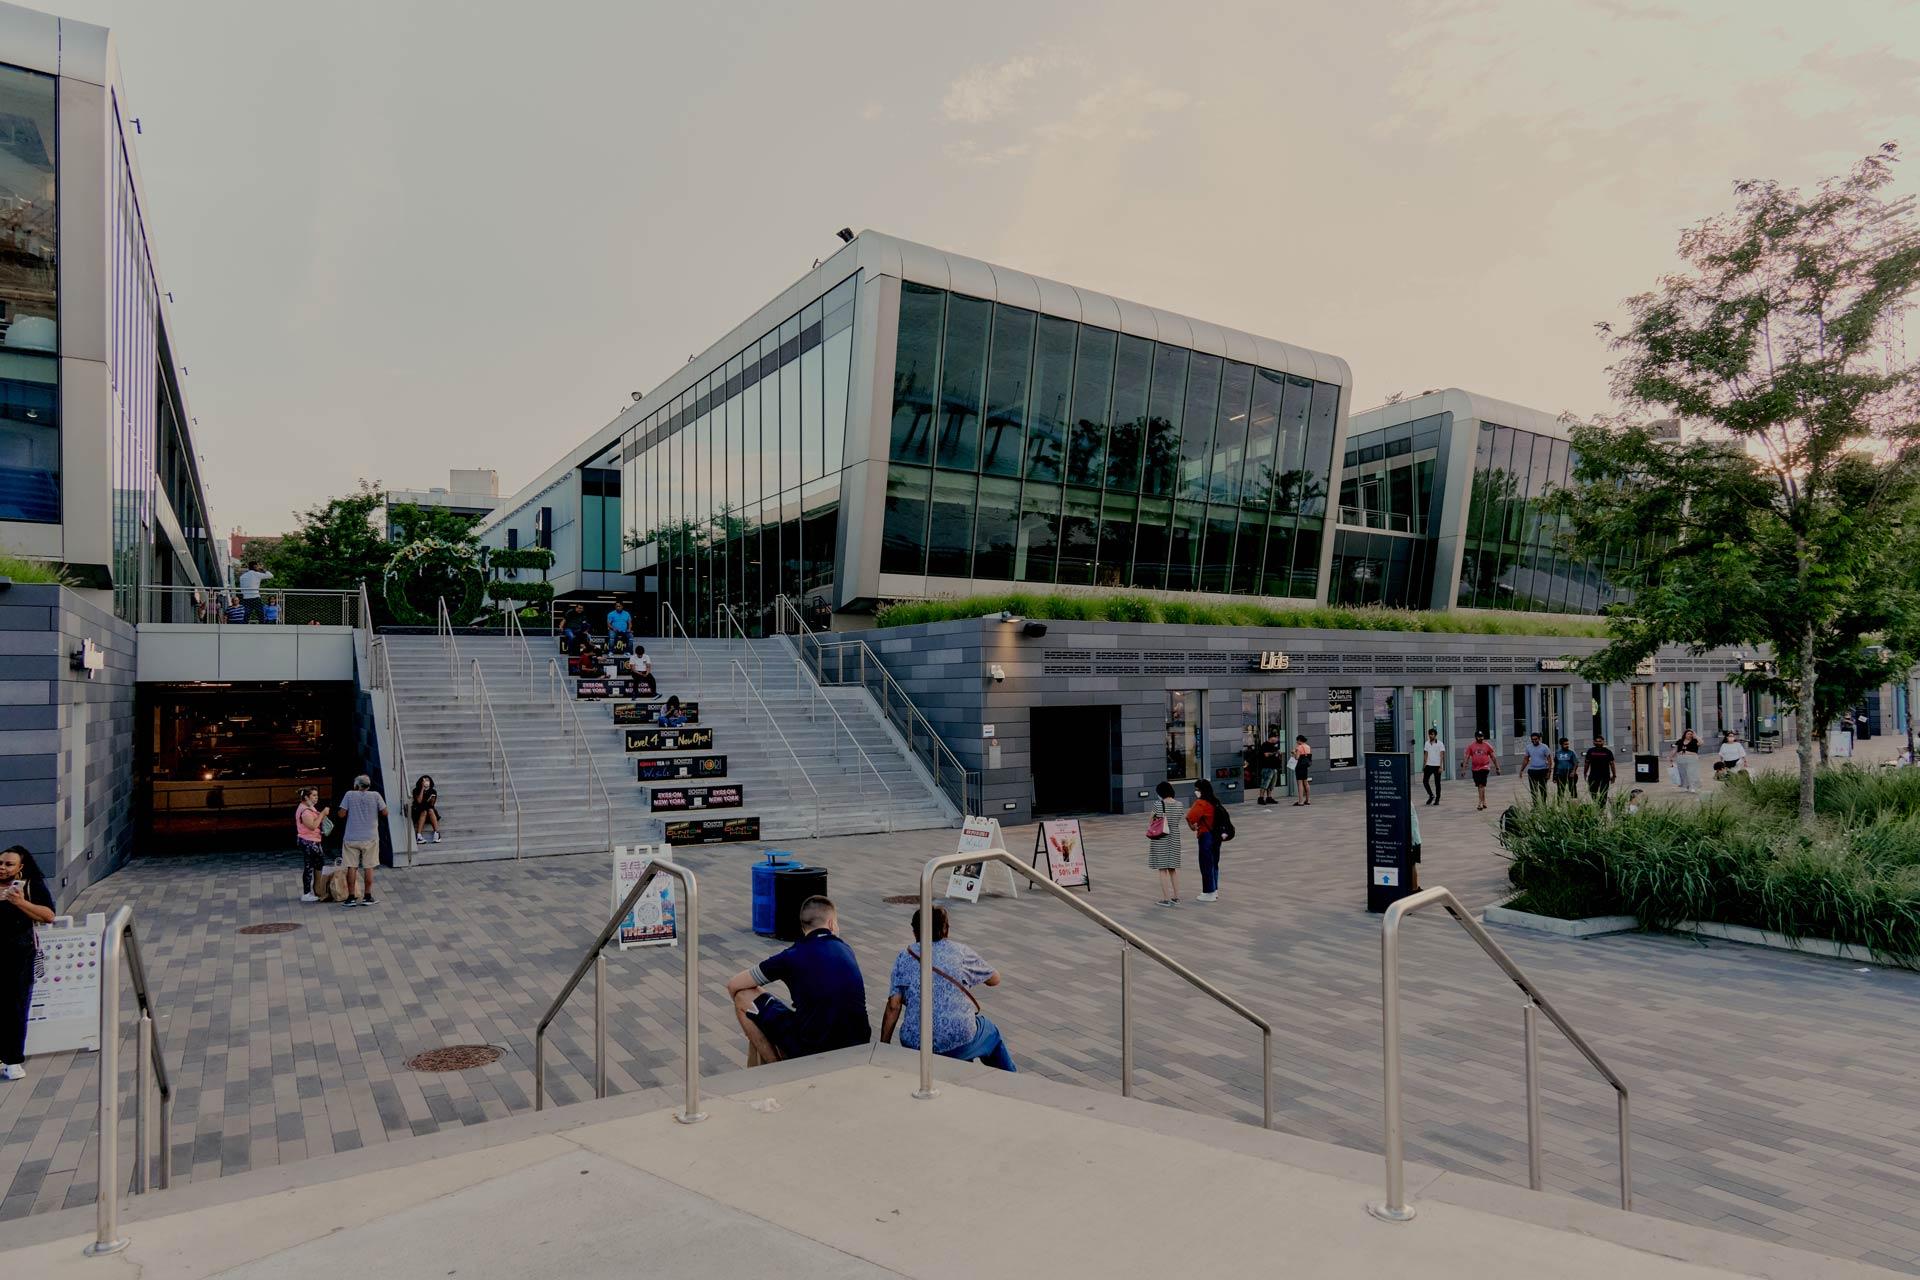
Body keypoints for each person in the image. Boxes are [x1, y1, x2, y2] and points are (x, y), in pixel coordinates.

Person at [725, 896, 870, 1065]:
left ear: (803, 927)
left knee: (743, 997)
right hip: (857, 1043)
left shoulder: (790, 956)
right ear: (831, 924)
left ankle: (776, 1067)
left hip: (813, 1047)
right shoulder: (846, 949)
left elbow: (733, 985)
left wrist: (752, 1028)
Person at [878, 905, 1014, 1072]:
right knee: (990, 1031)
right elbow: (995, 979)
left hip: (916, 1044)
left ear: (914, 932)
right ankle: (1012, 1080)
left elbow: (894, 1005)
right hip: (957, 1039)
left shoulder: (904, 957)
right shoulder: (960, 952)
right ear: (946, 929)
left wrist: (884, 1045)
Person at [0, 846, 54, 1081]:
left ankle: (13, 1060)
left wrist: (20, 902)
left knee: (16, 1007)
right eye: (0, 863)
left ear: (21, 867)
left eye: (9, 864)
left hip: (18, 955)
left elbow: (49, 915)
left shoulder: (31, 886)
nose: (2, 867)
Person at [335, 775, 388, 905]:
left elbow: (341, 814)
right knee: (369, 866)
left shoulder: (349, 794)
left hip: (351, 837)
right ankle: (367, 896)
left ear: (357, 785)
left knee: (351, 867)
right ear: (368, 785)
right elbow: (385, 812)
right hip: (370, 837)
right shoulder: (376, 795)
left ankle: (351, 897)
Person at [1147, 779, 1184, 906]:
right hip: (1174, 837)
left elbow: (1151, 819)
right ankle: (1176, 897)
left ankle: (1166, 899)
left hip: (1161, 837)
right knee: (1172, 868)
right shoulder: (1180, 804)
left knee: (1162, 869)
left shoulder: (1158, 804)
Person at [1186, 779, 1222, 903]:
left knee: (1206, 864)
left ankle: (1208, 892)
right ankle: (1214, 889)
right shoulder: (1215, 801)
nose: (1196, 792)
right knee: (1214, 863)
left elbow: (1190, 817)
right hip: (1216, 835)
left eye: (1197, 789)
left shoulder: (1201, 803)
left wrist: (1192, 827)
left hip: (1206, 835)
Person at [295, 787, 329, 902]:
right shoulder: (305, 811)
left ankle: (316, 889)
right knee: (309, 866)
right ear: (306, 797)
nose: (316, 798)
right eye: (313, 795)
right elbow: (312, 826)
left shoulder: (309, 808)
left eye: (317, 795)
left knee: (317, 863)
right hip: (308, 841)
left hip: (313, 840)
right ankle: (307, 893)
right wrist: (323, 813)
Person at [1463, 731, 1499, 811]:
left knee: (1481, 785)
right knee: (1480, 786)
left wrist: (1497, 768)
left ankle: (1480, 803)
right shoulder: (1471, 746)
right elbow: (1467, 758)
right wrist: (1463, 770)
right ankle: (1484, 801)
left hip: (1484, 767)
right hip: (1475, 768)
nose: (1481, 738)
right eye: (1479, 737)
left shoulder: (1487, 745)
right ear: (1476, 737)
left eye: (1482, 736)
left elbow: (1493, 757)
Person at [1584, 735, 1618, 803]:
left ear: (1603, 742)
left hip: (1605, 776)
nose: (1598, 742)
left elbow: (1612, 764)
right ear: (1593, 742)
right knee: (1592, 791)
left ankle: (1602, 808)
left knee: (1604, 792)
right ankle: (1596, 804)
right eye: (1596, 741)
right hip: (1593, 775)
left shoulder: (1607, 751)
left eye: (1600, 741)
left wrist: (1614, 775)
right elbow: (1587, 763)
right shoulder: (1590, 751)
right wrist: (1585, 773)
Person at [1521, 732, 1554, 800]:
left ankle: (1543, 805)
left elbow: (1550, 760)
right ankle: (1536, 806)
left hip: (1543, 770)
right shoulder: (1528, 747)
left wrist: (1549, 772)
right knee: (1533, 790)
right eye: (1532, 740)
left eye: (1536, 739)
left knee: (1543, 789)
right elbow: (1526, 759)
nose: (1534, 741)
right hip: (1532, 771)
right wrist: (1521, 770)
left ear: (1539, 739)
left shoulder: (1544, 747)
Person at [1254, 732, 1284, 805]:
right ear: (1272, 738)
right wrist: (1275, 753)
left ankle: (1269, 797)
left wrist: (1280, 755)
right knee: (1265, 783)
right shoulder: (1265, 745)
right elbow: (1266, 754)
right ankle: (1261, 798)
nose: (1277, 739)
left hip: (1274, 768)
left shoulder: (1274, 746)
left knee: (1271, 784)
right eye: (1276, 737)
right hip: (1267, 767)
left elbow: (1278, 755)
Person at [411, 775, 441, 845]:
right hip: (418, 811)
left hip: (429, 811)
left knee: (430, 810)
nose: (426, 782)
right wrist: (422, 788)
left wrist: (432, 800)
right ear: (421, 782)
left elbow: (432, 805)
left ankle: (437, 834)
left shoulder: (433, 791)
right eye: (424, 780)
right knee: (424, 811)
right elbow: (419, 801)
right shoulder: (416, 790)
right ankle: (418, 836)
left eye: (428, 780)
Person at [1421, 727, 1446, 805]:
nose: (1430, 736)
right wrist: (1424, 765)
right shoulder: (1427, 743)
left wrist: (1441, 766)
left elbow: (1442, 755)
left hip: (1437, 766)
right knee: (1425, 781)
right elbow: (1425, 754)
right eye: (1429, 734)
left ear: (1435, 735)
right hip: (1428, 765)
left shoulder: (1440, 743)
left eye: (1432, 734)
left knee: (1437, 783)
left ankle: (1437, 799)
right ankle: (1431, 795)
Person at [1674, 729, 1702, 793]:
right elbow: (1675, 750)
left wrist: (1696, 736)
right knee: (1683, 773)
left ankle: (1692, 787)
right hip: (1681, 759)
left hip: (1692, 759)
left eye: (1691, 734)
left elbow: (1701, 743)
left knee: (1691, 773)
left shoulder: (1695, 741)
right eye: (1688, 734)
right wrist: (1670, 757)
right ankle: (1686, 786)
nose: (1689, 735)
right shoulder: (1680, 741)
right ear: (1685, 734)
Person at [1291, 735, 1314, 806]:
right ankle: (1308, 800)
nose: (1297, 742)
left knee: (1300, 783)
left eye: (1297, 741)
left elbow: (1297, 758)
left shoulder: (1299, 747)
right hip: (1305, 766)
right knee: (1306, 782)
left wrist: (1293, 752)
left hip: (1299, 766)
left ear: (1299, 740)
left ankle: (1300, 801)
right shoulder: (1308, 747)